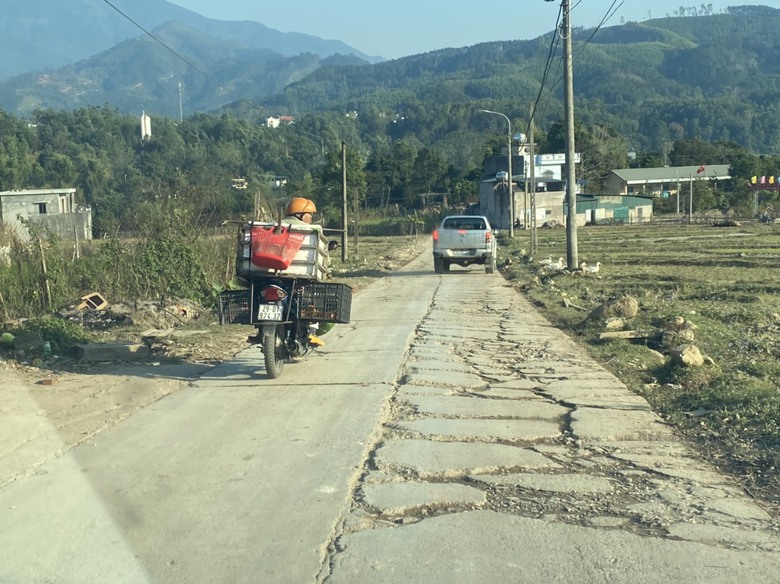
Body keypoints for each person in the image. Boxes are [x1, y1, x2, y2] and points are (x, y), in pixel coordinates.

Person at [282, 197, 334, 347]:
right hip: (302, 273)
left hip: (271, 273)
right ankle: (312, 330)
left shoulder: (275, 225)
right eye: (309, 214)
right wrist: (328, 269)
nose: (311, 218)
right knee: (313, 297)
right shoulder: (314, 229)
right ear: (301, 214)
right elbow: (323, 255)